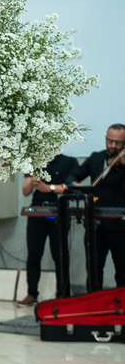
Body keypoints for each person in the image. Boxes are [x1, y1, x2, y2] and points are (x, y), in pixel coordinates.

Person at [18, 152, 79, 305]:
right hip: (37, 212)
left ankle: (62, 293)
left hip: (58, 212)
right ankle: (32, 293)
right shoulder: (35, 160)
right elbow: (25, 191)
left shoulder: (69, 161)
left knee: (59, 255)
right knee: (33, 254)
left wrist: (48, 187)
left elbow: (71, 188)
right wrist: (33, 178)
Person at [70, 124, 125, 291]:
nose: (113, 146)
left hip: (121, 226)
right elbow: (74, 174)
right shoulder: (96, 158)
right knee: (94, 270)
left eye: (118, 142)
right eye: (109, 141)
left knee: (123, 271)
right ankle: (94, 304)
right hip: (95, 224)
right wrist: (75, 183)